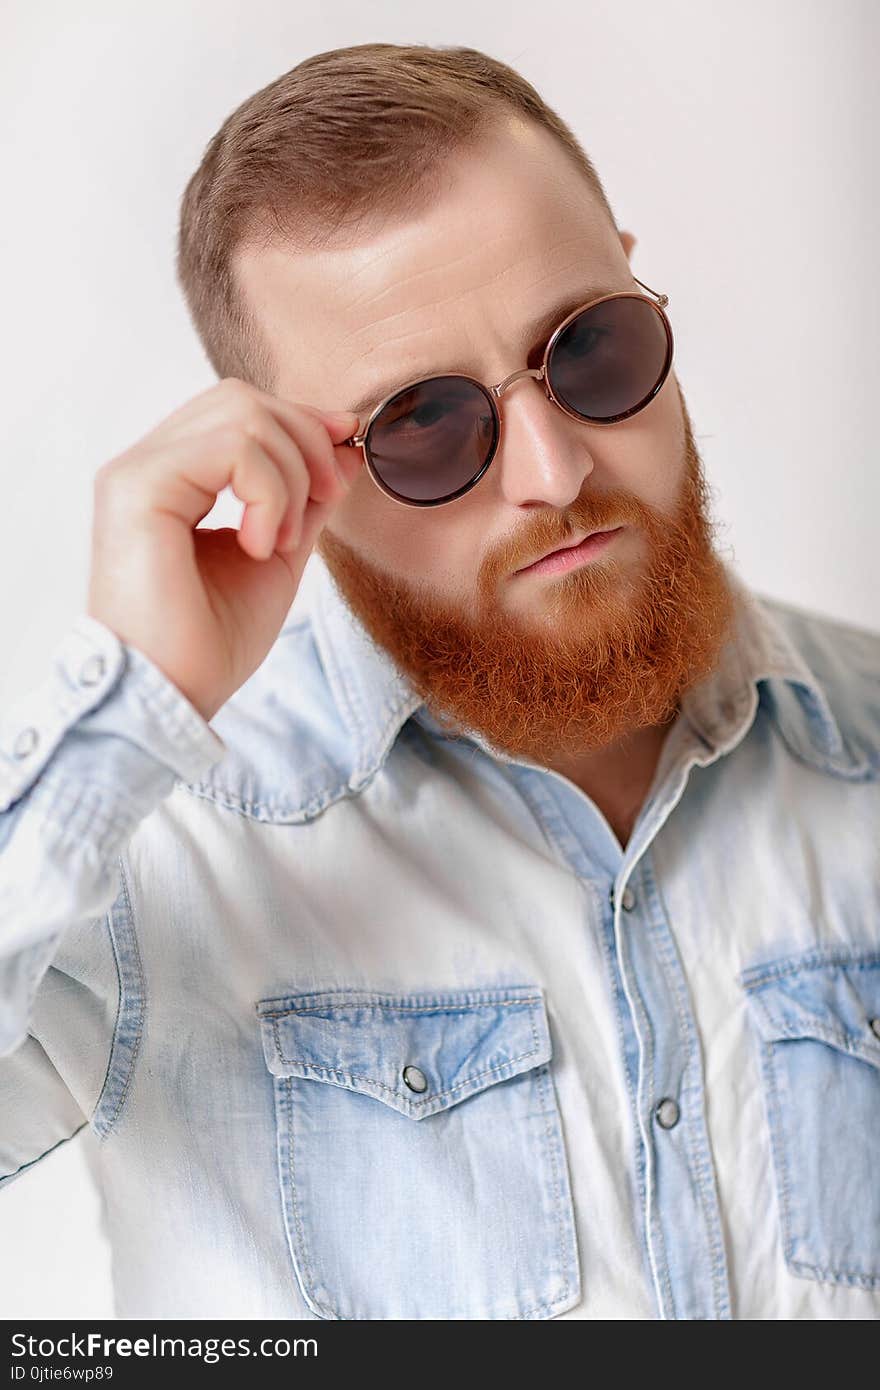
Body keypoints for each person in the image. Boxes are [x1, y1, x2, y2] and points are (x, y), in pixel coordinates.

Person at [1, 42, 878, 1322]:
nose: (552, 468)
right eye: (424, 422)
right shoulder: (156, 847)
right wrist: (133, 698)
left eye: (590, 348)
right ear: (293, 460)